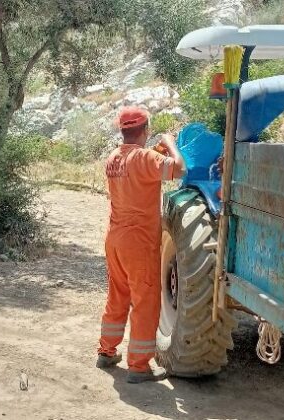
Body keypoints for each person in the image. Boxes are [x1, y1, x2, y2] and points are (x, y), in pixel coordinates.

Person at [97, 107, 186, 383]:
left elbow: (137, 171)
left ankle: (107, 351)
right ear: (145, 130)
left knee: (118, 295)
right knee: (146, 301)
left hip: (115, 238)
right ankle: (138, 366)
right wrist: (170, 142)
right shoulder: (146, 157)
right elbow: (180, 169)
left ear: (122, 131)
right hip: (139, 242)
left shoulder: (113, 158)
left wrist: (155, 152)